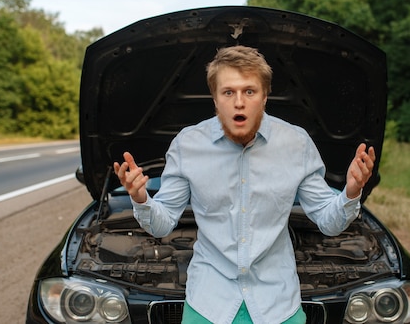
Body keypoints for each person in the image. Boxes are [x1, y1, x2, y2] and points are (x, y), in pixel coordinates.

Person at [113, 45, 376, 324]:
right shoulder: (187, 145)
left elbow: (328, 220)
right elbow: (162, 223)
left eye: (249, 91)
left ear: (264, 97)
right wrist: (141, 199)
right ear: (215, 98)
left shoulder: (296, 144)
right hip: (208, 303)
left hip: (278, 305)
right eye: (228, 92)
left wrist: (351, 192)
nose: (239, 102)